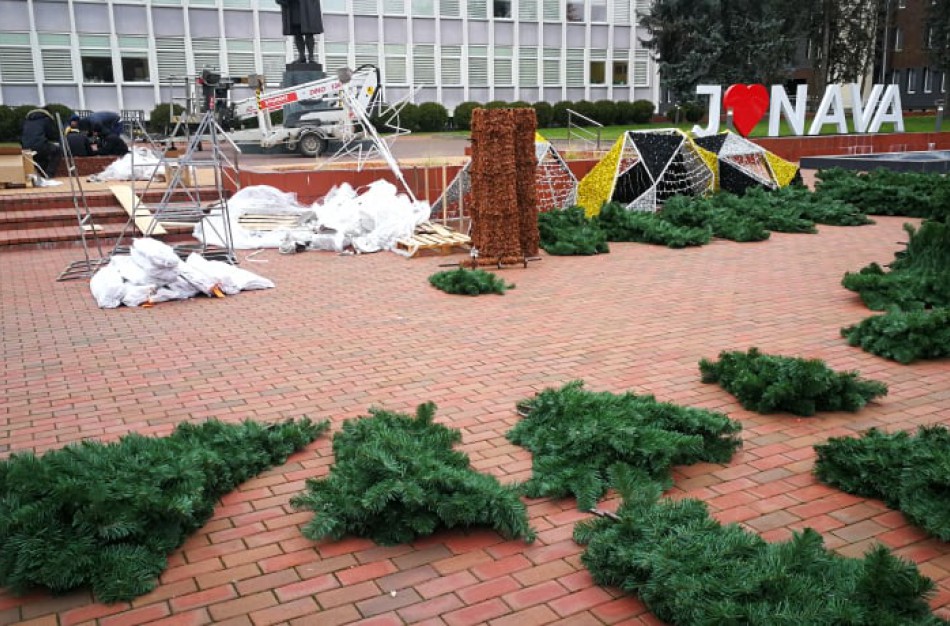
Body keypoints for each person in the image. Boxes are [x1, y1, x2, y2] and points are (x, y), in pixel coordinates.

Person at [20, 107, 62, 179]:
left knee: (42, 155)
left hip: (26, 148)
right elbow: (51, 135)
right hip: (39, 146)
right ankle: (49, 174)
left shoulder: (27, 121)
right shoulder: (46, 119)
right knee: (57, 151)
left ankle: (40, 174)